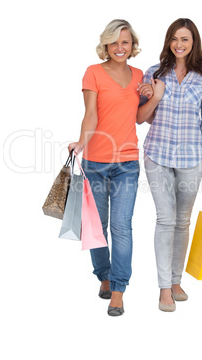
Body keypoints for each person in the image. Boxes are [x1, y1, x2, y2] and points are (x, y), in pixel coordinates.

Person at [137, 18, 202, 312]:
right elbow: (142, 117)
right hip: (157, 155)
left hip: (190, 159)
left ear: (193, 42)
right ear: (168, 41)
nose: (179, 44)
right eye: (174, 39)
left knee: (182, 221)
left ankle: (175, 281)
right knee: (166, 219)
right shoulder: (154, 73)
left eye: (185, 39)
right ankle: (164, 288)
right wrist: (154, 95)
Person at [68, 19, 145, 316]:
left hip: (127, 163)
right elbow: (90, 115)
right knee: (97, 228)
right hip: (96, 162)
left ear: (132, 45)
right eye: (114, 42)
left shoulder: (139, 76)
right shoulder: (94, 73)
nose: (120, 47)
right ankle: (103, 275)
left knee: (122, 227)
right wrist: (80, 142)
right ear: (106, 45)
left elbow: (139, 118)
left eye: (125, 42)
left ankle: (118, 290)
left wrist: (152, 95)